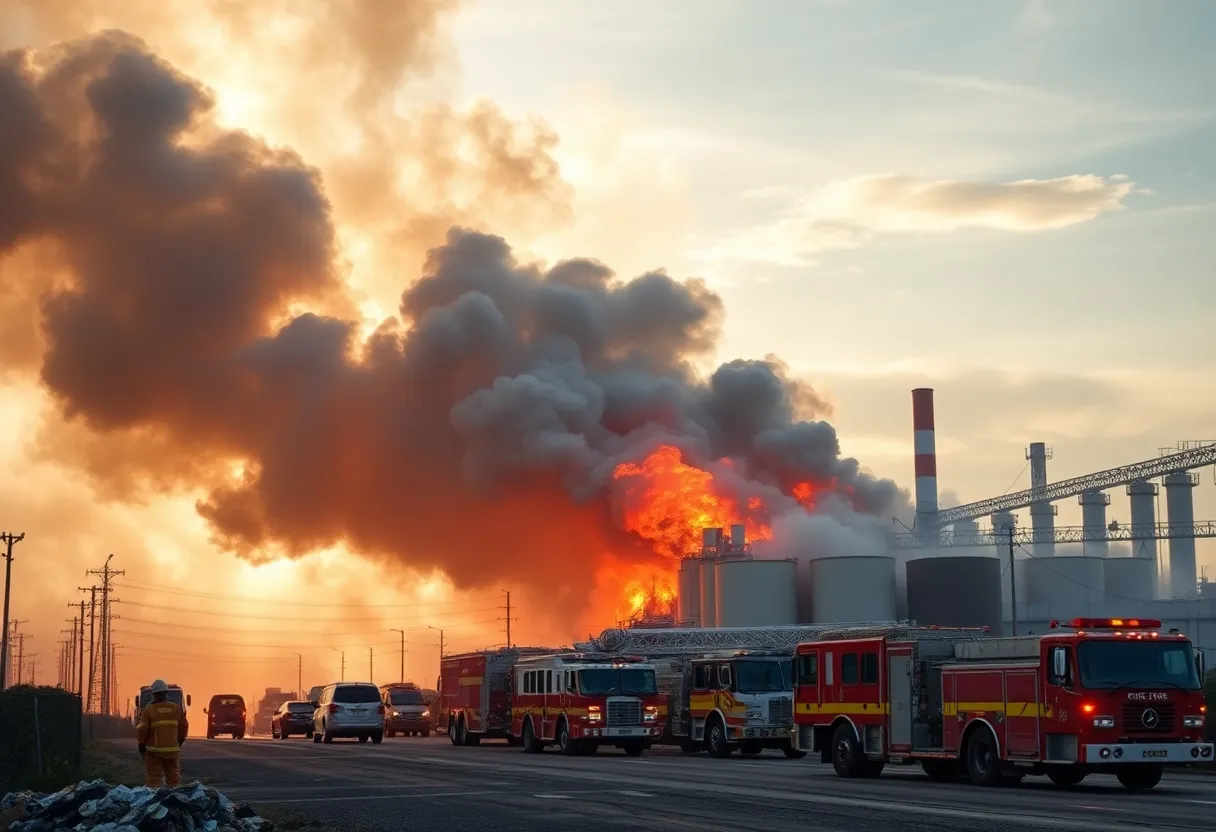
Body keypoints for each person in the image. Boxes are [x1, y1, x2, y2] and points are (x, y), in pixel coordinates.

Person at [135, 679, 189, 787]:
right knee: (173, 778)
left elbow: (142, 728)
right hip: (172, 751)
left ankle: (156, 799)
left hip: (154, 752)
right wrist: (180, 740)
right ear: (166, 692)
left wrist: (141, 743)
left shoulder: (149, 709)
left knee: (155, 779)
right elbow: (184, 726)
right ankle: (175, 798)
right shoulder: (176, 709)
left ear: (153, 694)